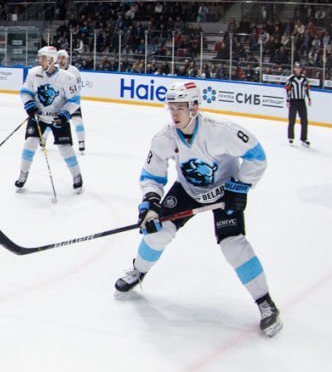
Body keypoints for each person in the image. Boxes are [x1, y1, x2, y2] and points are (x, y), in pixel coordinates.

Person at [113, 80, 281, 337]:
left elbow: (257, 156)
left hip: (224, 192)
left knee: (233, 244)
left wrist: (240, 187)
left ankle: (265, 302)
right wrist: (151, 205)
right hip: (187, 190)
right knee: (157, 233)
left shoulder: (221, 132)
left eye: (180, 108)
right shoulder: (164, 138)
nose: (174, 114)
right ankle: (138, 270)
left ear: (194, 107)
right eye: (171, 108)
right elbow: (152, 175)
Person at [16, 46, 83, 194]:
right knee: (30, 143)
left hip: (57, 118)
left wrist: (64, 114)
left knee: (65, 148)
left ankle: (77, 175)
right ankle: (23, 174)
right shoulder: (34, 73)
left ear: (52, 60)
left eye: (43, 58)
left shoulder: (67, 77)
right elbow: (25, 92)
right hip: (38, 116)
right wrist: (29, 104)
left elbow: (74, 100)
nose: (39, 60)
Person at [56, 49, 86, 154]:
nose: (61, 60)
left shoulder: (74, 71)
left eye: (63, 58)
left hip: (72, 101)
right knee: (51, 120)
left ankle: (81, 143)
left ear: (67, 59)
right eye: (59, 58)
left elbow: (78, 87)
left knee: (78, 121)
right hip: (59, 102)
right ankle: (43, 140)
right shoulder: (54, 69)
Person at [284, 65, 311, 145]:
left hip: (302, 101)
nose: (298, 69)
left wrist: (309, 98)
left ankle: (304, 138)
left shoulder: (304, 78)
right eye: (296, 68)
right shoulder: (291, 78)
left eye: (299, 68)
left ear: (301, 69)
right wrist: (288, 100)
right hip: (293, 101)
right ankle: (290, 137)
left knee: (304, 120)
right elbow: (287, 90)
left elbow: (307, 89)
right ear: (294, 69)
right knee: (292, 120)